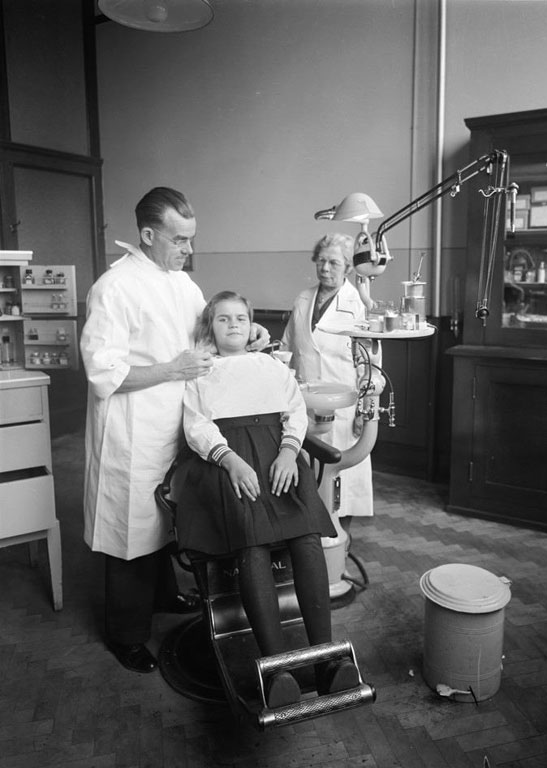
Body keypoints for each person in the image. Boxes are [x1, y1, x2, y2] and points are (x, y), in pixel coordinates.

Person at [80, 187, 269, 674]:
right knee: (131, 528)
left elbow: (206, 332)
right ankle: (126, 634)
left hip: (175, 422)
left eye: (192, 239)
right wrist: (173, 368)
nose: (189, 250)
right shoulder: (114, 287)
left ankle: (164, 594)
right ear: (147, 234)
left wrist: (247, 333)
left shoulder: (181, 283)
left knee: (165, 518)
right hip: (132, 429)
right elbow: (104, 373)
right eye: (180, 239)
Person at [176, 291, 360, 707]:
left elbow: (294, 410)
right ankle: (277, 671)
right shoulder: (201, 372)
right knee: (252, 543)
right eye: (223, 319)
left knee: (306, 538)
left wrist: (290, 451)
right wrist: (231, 462)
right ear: (211, 327)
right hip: (228, 460)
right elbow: (196, 426)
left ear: (252, 323)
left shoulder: (270, 365)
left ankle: (327, 659)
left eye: (241, 317)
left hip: (279, 455)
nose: (234, 325)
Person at [281, 233, 375, 532]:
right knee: (311, 477)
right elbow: (287, 345)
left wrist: (363, 410)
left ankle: (340, 546)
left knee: (344, 483)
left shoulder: (357, 304)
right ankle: (314, 544)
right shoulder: (303, 298)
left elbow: (370, 362)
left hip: (343, 406)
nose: (325, 268)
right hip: (306, 404)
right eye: (321, 261)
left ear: (348, 267)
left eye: (334, 262)